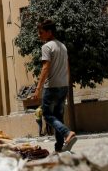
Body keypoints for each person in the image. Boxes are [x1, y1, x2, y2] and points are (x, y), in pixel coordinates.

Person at [31, 19, 77, 152]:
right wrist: (66, 84)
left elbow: (45, 68)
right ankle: (59, 148)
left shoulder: (47, 47)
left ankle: (67, 133)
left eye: (41, 32)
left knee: (47, 115)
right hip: (63, 86)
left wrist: (38, 88)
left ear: (49, 32)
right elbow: (67, 67)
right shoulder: (63, 46)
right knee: (58, 117)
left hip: (52, 87)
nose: (39, 35)